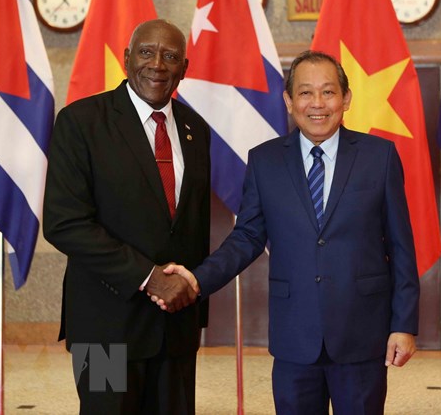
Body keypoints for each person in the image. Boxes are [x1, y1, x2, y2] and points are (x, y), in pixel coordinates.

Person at [158, 50, 420, 414]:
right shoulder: (265, 161)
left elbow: (401, 246)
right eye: (305, 92)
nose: (317, 103)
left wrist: (404, 325)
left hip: (362, 334)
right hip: (294, 336)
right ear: (288, 101)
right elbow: (247, 237)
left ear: (346, 99)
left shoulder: (379, 156)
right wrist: (197, 280)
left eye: (328, 92)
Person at [43, 19, 210, 414]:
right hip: (103, 330)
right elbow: (65, 223)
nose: (158, 64)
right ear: (126, 58)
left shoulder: (195, 129)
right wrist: (149, 277)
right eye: (146, 52)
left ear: (184, 68)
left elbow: (193, 227)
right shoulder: (81, 121)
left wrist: (191, 294)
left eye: (170, 56)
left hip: (175, 328)